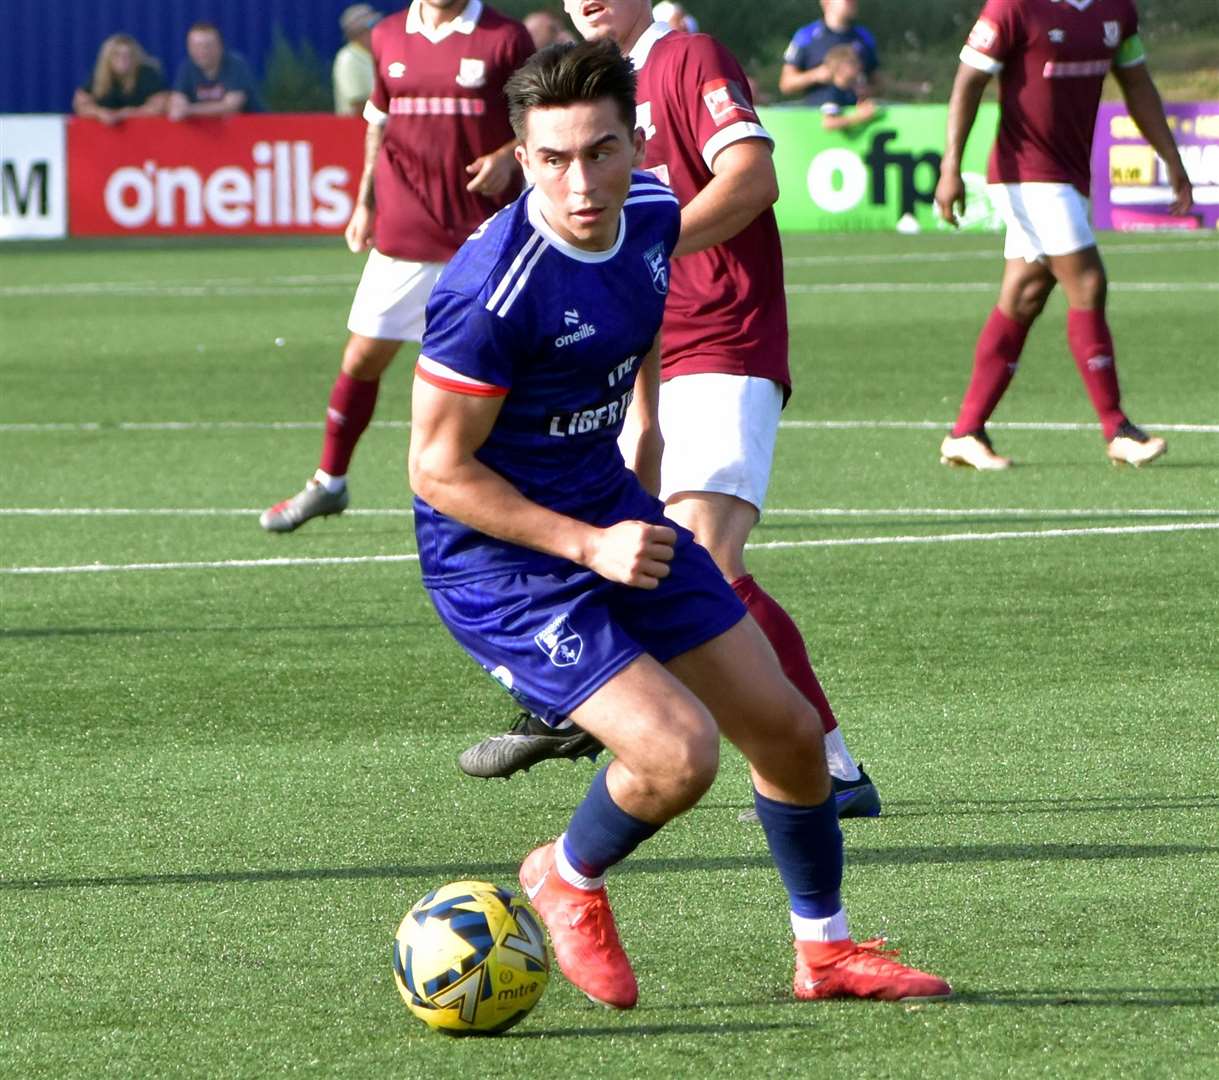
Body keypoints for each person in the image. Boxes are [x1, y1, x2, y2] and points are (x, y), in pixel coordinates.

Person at [409, 36, 951, 1009]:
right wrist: (588, 543)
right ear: (523, 158)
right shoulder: (487, 291)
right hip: (498, 560)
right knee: (677, 754)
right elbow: (437, 470)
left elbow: (640, 316)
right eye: (554, 159)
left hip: (608, 505)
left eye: (601, 151)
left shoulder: (653, 210)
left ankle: (822, 954)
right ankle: (564, 876)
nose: (581, 182)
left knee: (786, 731)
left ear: (633, 143)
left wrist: (648, 434)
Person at [459, 0, 880, 823]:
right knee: (623, 538)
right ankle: (583, 697)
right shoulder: (593, 93)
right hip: (629, 350)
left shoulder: (686, 57)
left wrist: (641, 248)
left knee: (705, 558)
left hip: (725, 336)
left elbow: (753, 177)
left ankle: (828, 766)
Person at [259, 1, 534, 532]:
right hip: (406, 230)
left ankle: (524, 489)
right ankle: (329, 483)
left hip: (485, 236)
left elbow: (543, 118)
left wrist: (509, 152)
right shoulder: (386, 37)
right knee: (362, 357)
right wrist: (364, 203)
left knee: (505, 374)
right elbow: (376, 127)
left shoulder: (505, 37)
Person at [934, 0, 1192, 470]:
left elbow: (1137, 84)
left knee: (1025, 295)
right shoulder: (1012, 8)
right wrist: (950, 166)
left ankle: (965, 432)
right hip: (1027, 173)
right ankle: (1117, 428)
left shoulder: (1117, 10)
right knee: (1088, 281)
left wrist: (1172, 160)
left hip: (1071, 176)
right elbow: (969, 80)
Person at [779, 0, 878, 108]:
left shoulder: (864, 36)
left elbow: (877, 80)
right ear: (826, 2)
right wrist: (815, 75)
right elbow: (786, 84)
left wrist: (868, 89)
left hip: (857, 117)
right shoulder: (806, 35)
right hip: (816, 117)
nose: (853, 2)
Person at [168, 22, 265, 119]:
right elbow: (177, 101)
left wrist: (189, 110)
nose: (202, 51)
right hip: (204, 130)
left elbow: (231, 106)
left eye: (208, 46)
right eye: (196, 46)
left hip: (251, 128)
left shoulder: (235, 65)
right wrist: (178, 106)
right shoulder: (187, 67)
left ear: (220, 46)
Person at [73, 33, 169, 124]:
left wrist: (127, 114)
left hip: (144, 132)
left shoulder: (146, 73)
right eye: (116, 54)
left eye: (128, 55)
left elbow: (162, 103)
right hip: (107, 135)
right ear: (108, 58)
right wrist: (99, 113)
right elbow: (80, 104)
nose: (122, 59)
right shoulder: (100, 75)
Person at [334, 4, 384, 116]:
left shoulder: (375, 56)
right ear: (358, 33)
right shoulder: (348, 59)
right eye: (373, 26)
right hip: (357, 130)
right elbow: (358, 105)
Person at [817, 44, 879, 132]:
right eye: (853, 62)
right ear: (840, 68)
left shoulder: (852, 91)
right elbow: (829, 123)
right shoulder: (832, 93)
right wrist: (860, 117)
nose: (859, 65)